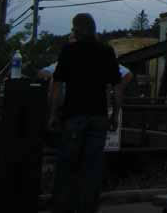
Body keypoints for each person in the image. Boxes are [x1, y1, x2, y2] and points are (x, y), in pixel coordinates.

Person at [49, 13, 123, 213]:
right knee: (92, 169)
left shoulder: (69, 51)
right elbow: (117, 87)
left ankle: (64, 208)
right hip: (98, 117)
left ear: (77, 30)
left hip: (74, 115)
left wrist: (53, 114)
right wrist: (114, 115)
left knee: (67, 167)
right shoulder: (107, 51)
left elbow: (57, 86)